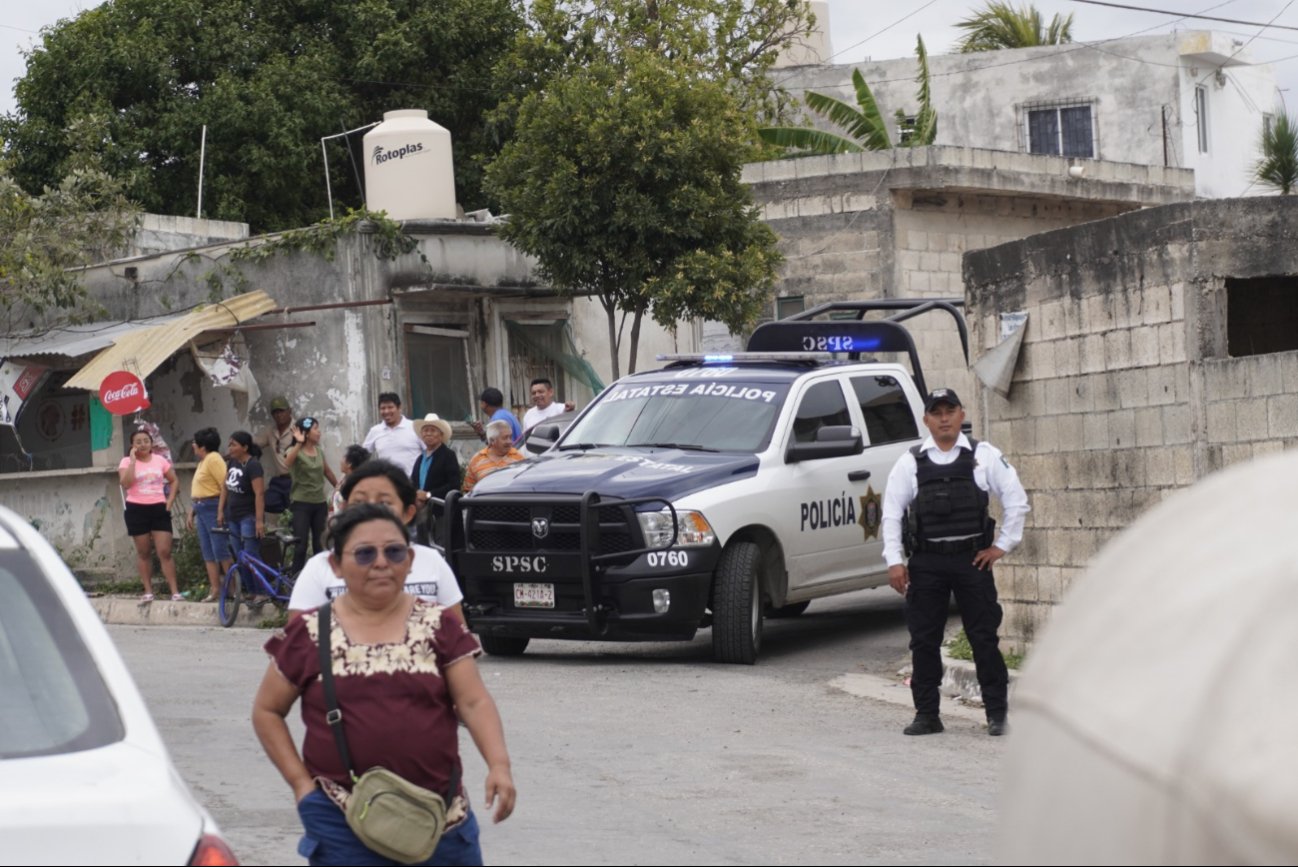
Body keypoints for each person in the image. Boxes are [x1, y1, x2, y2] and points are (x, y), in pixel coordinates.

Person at [252, 503, 516, 866]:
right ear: (335, 564)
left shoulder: (439, 625)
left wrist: (499, 765)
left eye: (393, 552)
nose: (381, 563)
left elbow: (473, 702)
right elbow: (267, 710)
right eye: (364, 553)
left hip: (441, 821)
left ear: (409, 559)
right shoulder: (310, 632)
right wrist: (301, 787)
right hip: (342, 821)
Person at [881, 388, 1030, 737]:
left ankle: (996, 714)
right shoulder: (910, 462)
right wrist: (895, 562)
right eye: (937, 412)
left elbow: (1016, 501)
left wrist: (1001, 547)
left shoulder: (984, 456)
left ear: (962, 414)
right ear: (926, 420)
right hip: (927, 561)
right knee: (923, 640)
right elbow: (890, 514)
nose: (944, 418)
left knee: (983, 639)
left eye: (950, 411)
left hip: (971, 562)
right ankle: (927, 715)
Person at [288, 459, 464, 621]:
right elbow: (298, 647)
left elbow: (457, 645)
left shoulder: (431, 563)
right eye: (359, 502)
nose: (371, 510)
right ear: (344, 508)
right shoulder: (319, 569)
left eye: (385, 503)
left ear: (408, 513)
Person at [118, 426, 182, 602]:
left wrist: (169, 502)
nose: (143, 444)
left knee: (165, 551)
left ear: (152, 443)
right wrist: (132, 462)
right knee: (144, 552)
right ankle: (148, 591)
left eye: (146, 441)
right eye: (138, 442)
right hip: (136, 508)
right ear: (132, 445)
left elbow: (174, 480)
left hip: (158, 508)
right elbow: (126, 483)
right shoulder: (125, 462)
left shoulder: (160, 460)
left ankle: (175, 591)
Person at [285, 416, 338, 574]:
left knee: (319, 544)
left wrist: (339, 488)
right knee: (300, 545)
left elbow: (327, 471)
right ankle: (294, 580)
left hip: (319, 503)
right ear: (306, 433)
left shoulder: (319, 451)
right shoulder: (294, 451)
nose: (319, 432)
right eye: (315, 429)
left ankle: (320, 579)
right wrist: (299, 443)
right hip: (301, 504)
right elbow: (287, 463)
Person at [186, 427, 231, 603]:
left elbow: (224, 486)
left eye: (195, 442)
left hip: (213, 507)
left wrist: (220, 511)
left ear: (202, 446)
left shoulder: (214, 459)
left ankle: (233, 589)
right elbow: (199, 490)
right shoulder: (203, 461)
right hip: (202, 507)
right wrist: (192, 511)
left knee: (220, 549)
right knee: (208, 551)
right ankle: (215, 589)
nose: (193, 445)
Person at [218, 430, 266, 568]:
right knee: (239, 557)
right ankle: (250, 589)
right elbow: (225, 487)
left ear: (245, 448)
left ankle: (260, 589)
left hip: (248, 517)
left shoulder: (253, 465)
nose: (230, 448)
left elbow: (259, 494)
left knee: (251, 556)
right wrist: (220, 511)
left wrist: (259, 521)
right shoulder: (232, 462)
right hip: (232, 516)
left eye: (233, 445)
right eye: (229, 445)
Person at [411, 414, 459, 543]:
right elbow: (413, 483)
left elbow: (454, 485)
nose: (428, 434)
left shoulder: (448, 455)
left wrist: (428, 495)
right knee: (423, 544)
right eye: (425, 431)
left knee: (440, 545)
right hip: (421, 511)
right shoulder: (420, 459)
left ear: (441, 435)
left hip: (440, 511)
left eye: (432, 430)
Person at [362, 392, 423, 475]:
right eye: (383, 408)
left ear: (399, 408)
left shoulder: (414, 427)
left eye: (390, 407)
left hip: (412, 484)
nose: (386, 411)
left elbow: (428, 453)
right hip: (386, 484)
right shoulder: (375, 431)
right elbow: (361, 456)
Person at [254, 396, 296, 515]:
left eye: (281, 411)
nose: (279, 415)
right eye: (275, 412)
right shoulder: (271, 431)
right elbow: (252, 444)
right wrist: (227, 456)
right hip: (281, 480)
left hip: (297, 480)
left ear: (289, 411)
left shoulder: (298, 429)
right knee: (267, 501)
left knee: (295, 519)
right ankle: (288, 510)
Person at [462, 420, 526, 494]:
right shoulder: (476, 460)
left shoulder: (519, 458)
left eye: (510, 437)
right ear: (492, 441)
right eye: (505, 438)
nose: (509, 441)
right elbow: (468, 491)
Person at [331, 445, 370, 514]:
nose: (340, 460)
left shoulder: (356, 484)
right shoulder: (344, 477)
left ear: (349, 464)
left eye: (343, 457)